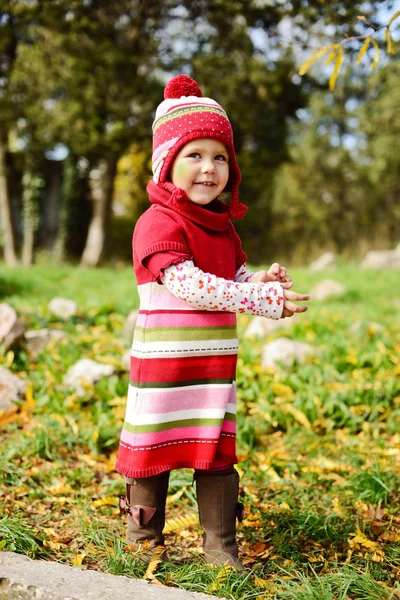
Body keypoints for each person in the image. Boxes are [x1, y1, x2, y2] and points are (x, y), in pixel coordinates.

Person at [116, 75, 310, 569]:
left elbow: (232, 276)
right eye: (194, 156)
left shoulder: (223, 228)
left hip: (212, 368)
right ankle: (144, 538)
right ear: (167, 165)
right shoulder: (157, 223)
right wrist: (259, 299)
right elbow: (191, 286)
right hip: (163, 370)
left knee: (216, 453)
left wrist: (262, 279)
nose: (209, 168)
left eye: (219, 156)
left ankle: (220, 546)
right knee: (152, 448)